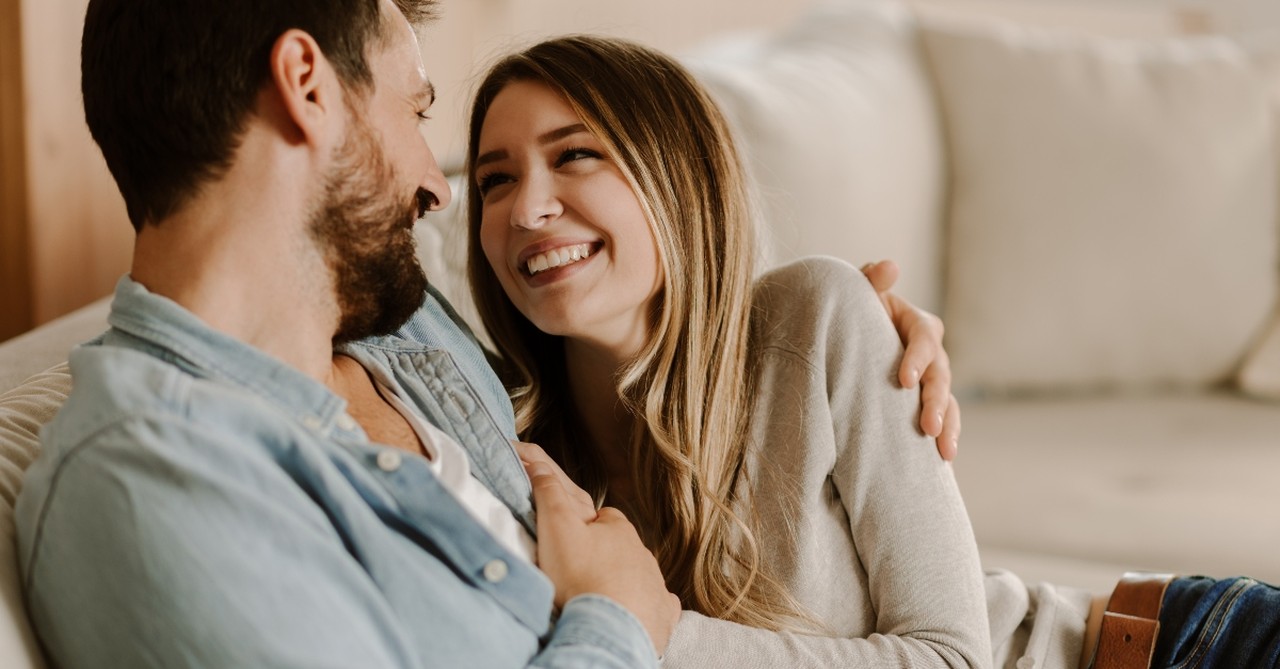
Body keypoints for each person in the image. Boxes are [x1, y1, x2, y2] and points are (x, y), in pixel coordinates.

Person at [12, 2, 957, 668]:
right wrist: (616, 623)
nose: (439, 183)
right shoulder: (151, 480)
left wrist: (832, 326)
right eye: (415, 113)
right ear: (306, 85)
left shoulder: (403, 323)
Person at [463, 35, 1280, 669]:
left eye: (574, 154)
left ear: (676, 179)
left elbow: (953, 655)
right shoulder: (504, 445)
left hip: (1182, 647)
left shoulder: (816, 319)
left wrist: (652, 632)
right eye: (495, 179)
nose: (527, 207)